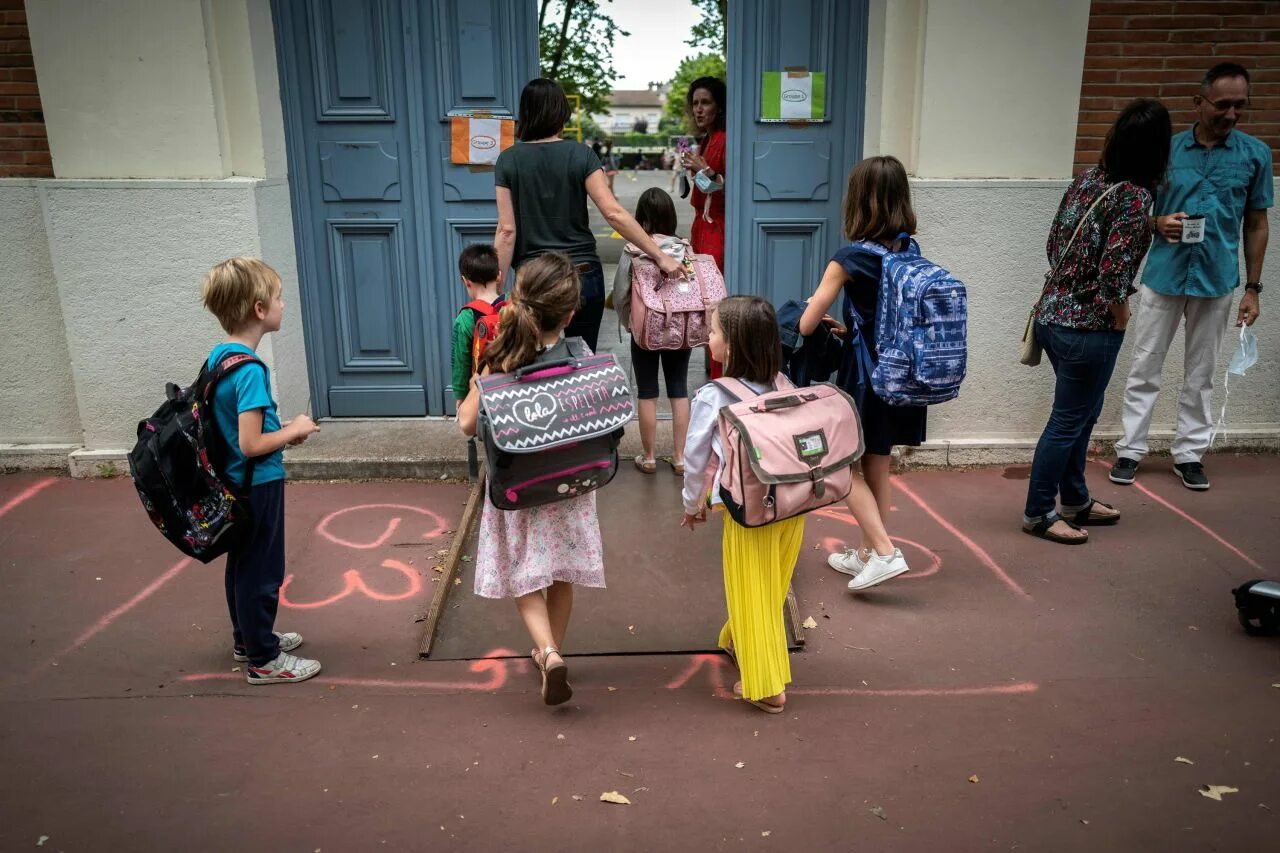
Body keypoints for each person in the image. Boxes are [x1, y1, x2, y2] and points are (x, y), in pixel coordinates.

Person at [1111, 63, 1271, 491]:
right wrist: (1154, 222)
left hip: (1218, 278)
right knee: (1145, 366)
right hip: (1163, 275)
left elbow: (1256, 223)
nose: (1232, 114)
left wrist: (1253, 289)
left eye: (1240, 105)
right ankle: (1131, 448)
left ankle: (1189, 453)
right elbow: (1131, 208)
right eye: (1222, 105)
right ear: (1198, 103)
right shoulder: (1166, 150)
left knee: (1201, 373)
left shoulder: (1255, 155)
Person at [456, 253, 605, 706]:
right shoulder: (581, 355)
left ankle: (549, 652)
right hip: (571, 486)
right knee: (561, 574)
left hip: (516, 487)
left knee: (525, 575)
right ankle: (550, 652)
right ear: (571, 312)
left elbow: (467, 423)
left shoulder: (501, 358)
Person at [1022, 100, 1172, 545]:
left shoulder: (1088, 181)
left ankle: (1075, 500)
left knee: (1081, 416)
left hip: (1052, 318)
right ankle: (1038, 513)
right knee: (1068, 421)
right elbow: (1113, 273)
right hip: (1088, 329)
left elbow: (1053, 244)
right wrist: (1121, 313)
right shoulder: (1136, 196)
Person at [200, 257, 322, 684]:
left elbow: (236, 433)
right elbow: (252, 444)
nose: (283, 304)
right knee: (262, 570)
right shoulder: (251, 370)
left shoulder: (221, 358)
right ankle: (264, 660)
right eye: (277, 297)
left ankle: (247, 639)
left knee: (242, 563)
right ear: (258, 309)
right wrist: (294, 430)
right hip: (258, 483)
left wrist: (283, 431)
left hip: (233, 482)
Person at [797, 157, 916, 590]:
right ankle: (870, 552)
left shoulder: (849, 258)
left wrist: (811, 311)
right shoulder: (909, 250)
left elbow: (808, 324)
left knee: (843, 465)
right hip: (898, 372)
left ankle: (883, 551)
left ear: (858, 202)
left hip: (864, 378)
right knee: (878, 465)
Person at [495, 79, 683, 353]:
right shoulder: (582, 155)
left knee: (535, 364)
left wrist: (496, 284)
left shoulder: (508, 160)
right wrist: (660, 255)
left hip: (534, 278)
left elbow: (506, 230)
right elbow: (614, 212)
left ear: (525, 113)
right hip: (582, 275)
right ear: (562, 112)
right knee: (581, 367)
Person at [680, 296, 802, 714]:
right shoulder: (785, 383)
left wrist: (692, 503)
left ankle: (767, 686)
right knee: (769, 587)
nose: (707, 337)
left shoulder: (714, 396)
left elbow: (696, 457)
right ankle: (738, 639)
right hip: (791, 506)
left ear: (729, 346)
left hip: (749, 510)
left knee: (748, 588)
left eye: (712, 331)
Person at [611, 188, 693, 475]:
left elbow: (621, 293)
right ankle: (680, 458)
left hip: (645, 331)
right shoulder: (684, 248)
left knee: (647, 391)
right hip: (680, 330)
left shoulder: (633, 250)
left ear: (641, 221)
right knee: (679, 389)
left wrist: (631, 322)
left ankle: (648, 457)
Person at [681, 77, 728, 380]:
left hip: (715, 231)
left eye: (706, 102)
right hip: (704, 228)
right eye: (695, 103)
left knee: (714, 306)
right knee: (706, 306)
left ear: (719, 106)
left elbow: (725, 188)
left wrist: (702, 170)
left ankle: (719, 375)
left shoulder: (722, 139)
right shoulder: (708, 139)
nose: (699, 109)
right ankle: (713, 373)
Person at [450, 243, 506, 400]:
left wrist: (461, 397)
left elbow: (461, 361)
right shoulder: (514, 306)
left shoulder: (466, 318)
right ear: (499, 276)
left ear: (465, 281)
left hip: (482, 390)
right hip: (514, 384)